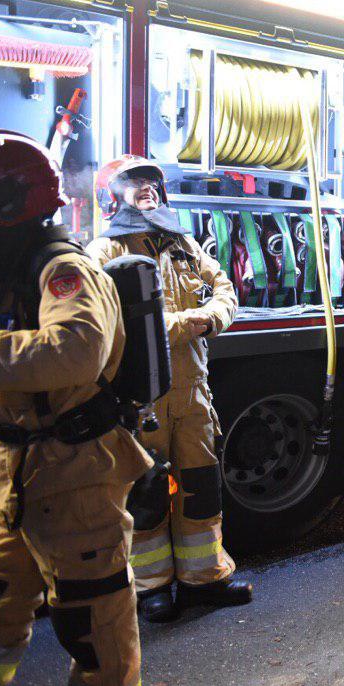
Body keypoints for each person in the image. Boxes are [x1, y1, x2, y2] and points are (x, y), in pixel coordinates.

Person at [0, 130, 149, 686]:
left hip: (74, 475)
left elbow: (75, 351)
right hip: (9, 470)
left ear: (9, 202)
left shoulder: (64, 269)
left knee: (92, 629)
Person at [87, 155, 252, 624]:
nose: (147, 189)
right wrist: (189, 323)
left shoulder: (183, 244)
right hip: (141, 398)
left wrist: (213, 317)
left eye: (152, 182)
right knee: (147, 493)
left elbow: (225, 289)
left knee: (201, 487)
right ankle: (152, 588)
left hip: (193, 392)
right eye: (134, 182)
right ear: (110, 196)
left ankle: (205, 580)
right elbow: (110, 324)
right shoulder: (103, 253)